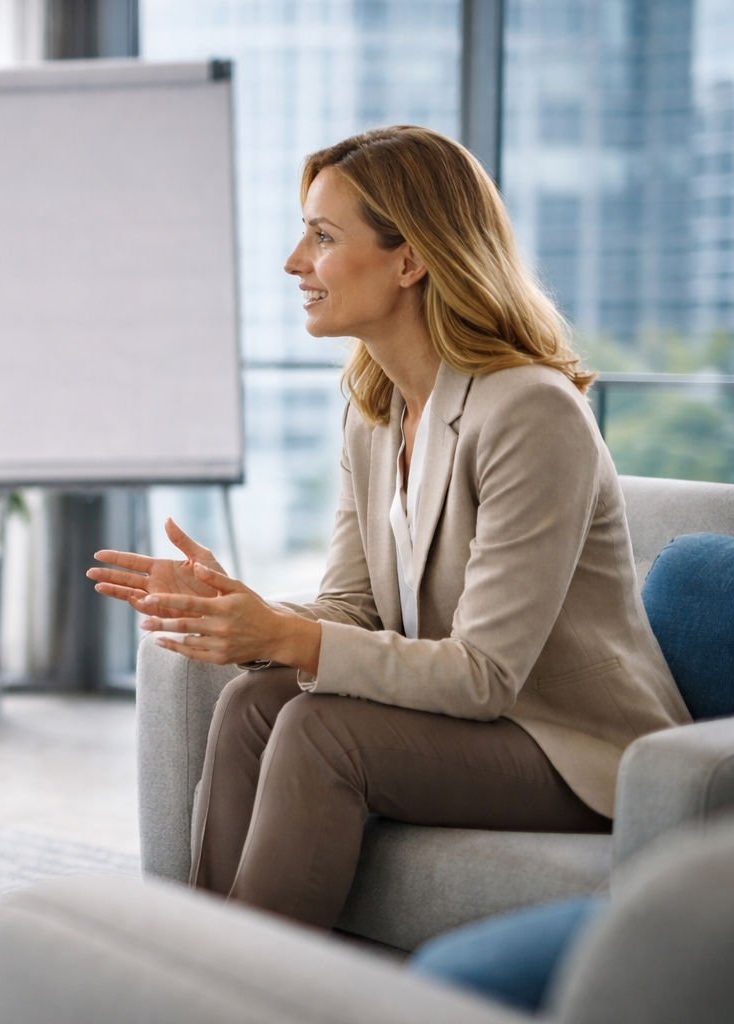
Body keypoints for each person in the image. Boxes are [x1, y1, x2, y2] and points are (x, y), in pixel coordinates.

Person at [87, 125, 691, 929]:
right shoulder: (375, 412)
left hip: (574, 747)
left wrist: (289, 637)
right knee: (251, 707)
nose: (294, 261)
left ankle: (246, 996)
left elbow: (483, 675)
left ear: (410, 260)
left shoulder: (533, 412)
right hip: (476, 724)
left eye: (323, 236)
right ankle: (205, 967)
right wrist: (242, 612)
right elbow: (354, 610)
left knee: (319, 733)